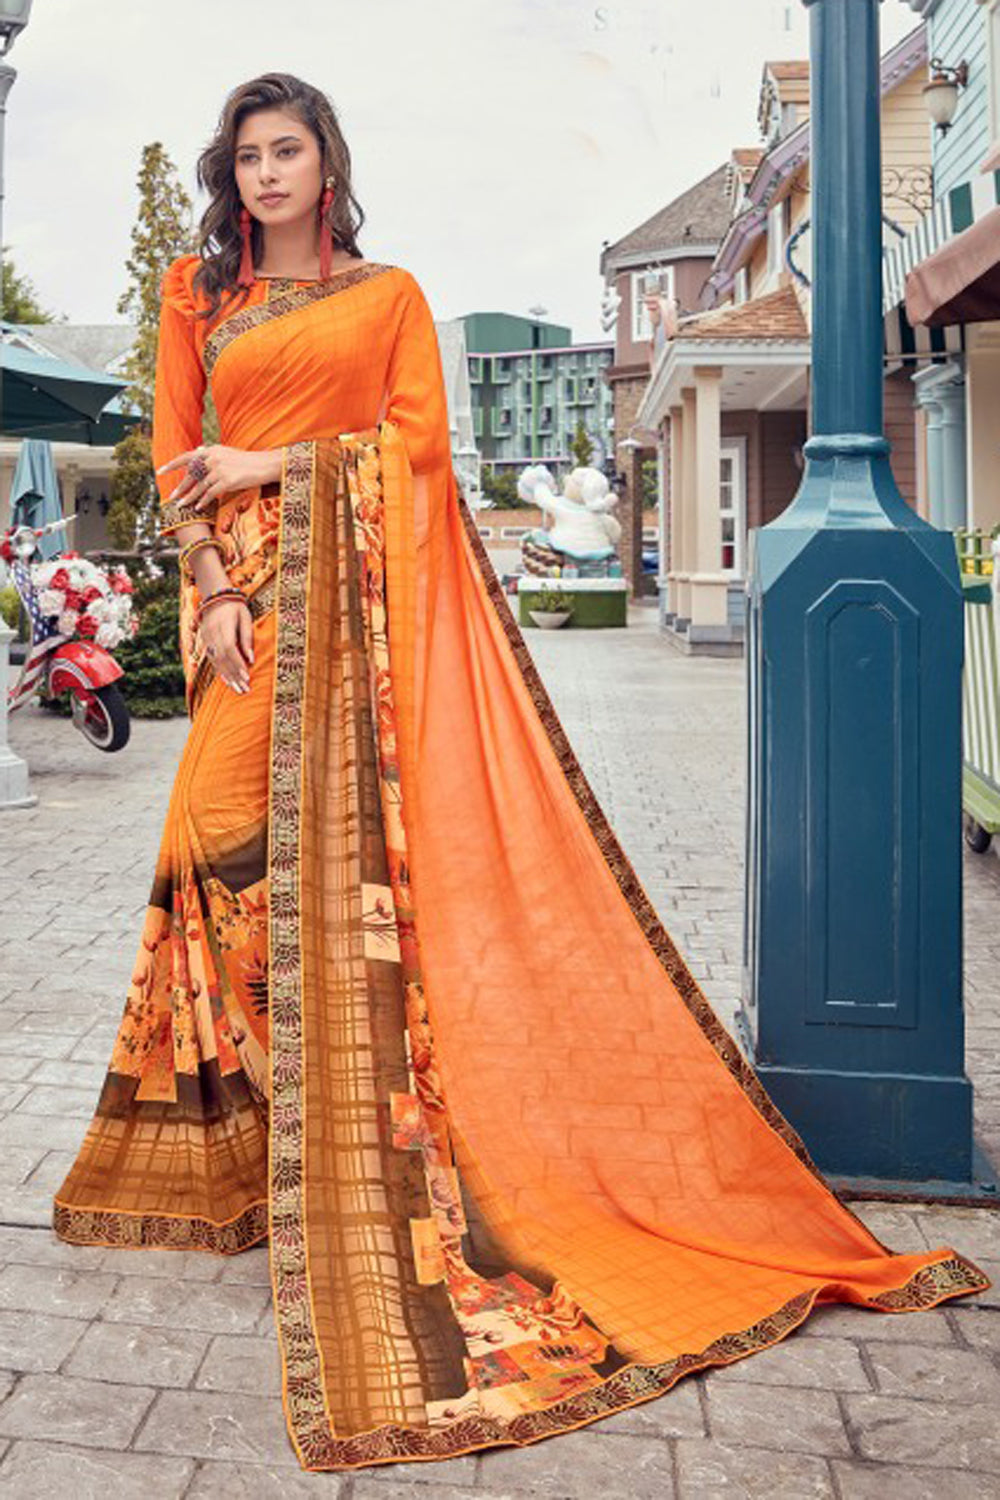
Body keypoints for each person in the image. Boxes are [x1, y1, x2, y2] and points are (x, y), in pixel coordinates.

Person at [53, 71, 988, 1474]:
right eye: (244, 155)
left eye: (285, 150)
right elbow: (177, 462)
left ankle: (339, 1152)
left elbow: (422, 449)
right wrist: (213, 580)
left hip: (346, 625)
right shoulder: (204, 297)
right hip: (246, 614)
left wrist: (267, 458)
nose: (263, 174)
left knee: (312, 872)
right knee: (205, 848)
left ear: (326, 162)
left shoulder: (387, 300)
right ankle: (245, 1154)